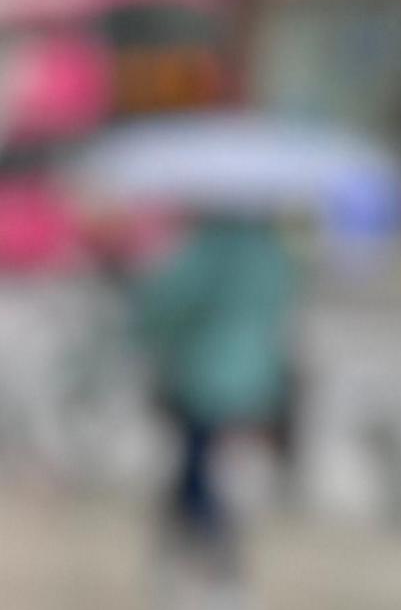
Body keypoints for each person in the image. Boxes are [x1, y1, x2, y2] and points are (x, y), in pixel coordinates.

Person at [127, 206, 301, 584]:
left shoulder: (204, 250)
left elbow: (164, 307)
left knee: (199, 470)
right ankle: (220, 554)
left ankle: (202, 553)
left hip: (205, 378)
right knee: (232, 470)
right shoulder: (272, 252)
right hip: (258, 381)